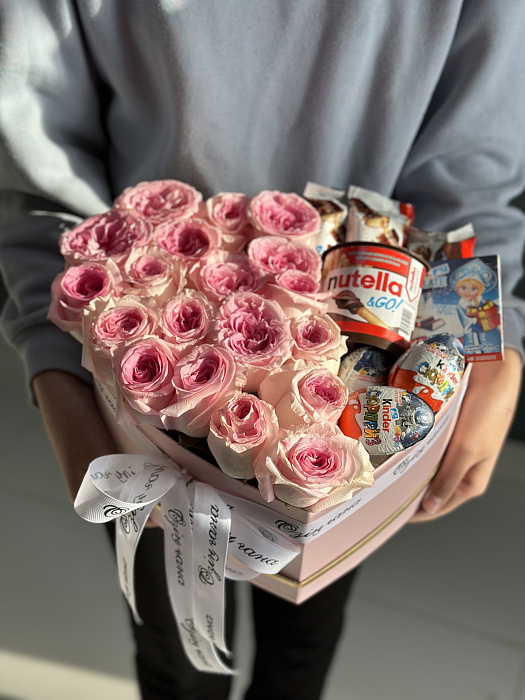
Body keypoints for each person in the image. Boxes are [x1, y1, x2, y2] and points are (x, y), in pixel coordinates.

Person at [1, 2, 524, 699]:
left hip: (357, 380)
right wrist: (63, 386)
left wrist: (496, 346)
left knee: (302, 641)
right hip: (134, 410)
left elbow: (472, 181)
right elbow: (41, 167)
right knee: (172, 652)